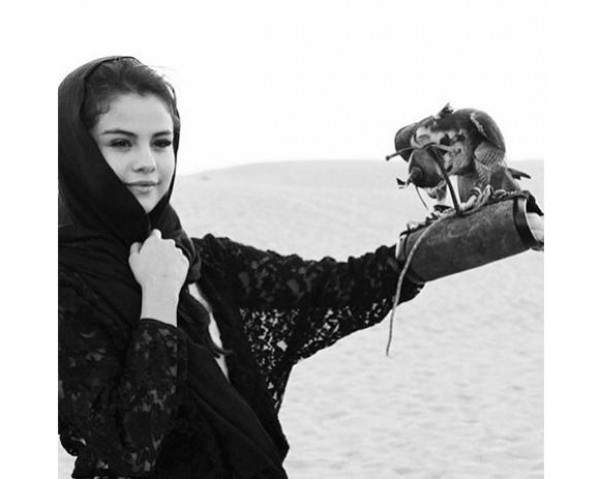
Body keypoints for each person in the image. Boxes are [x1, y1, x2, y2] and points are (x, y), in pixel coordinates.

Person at [58, 56, 423, 479]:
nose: (148, 163)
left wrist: (441, 244)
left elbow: (336, 285)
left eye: (161, 142)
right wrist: (157, 298)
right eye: (121, 143)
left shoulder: (203, 263)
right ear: (78, 151)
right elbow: (127, 451)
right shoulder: (59, 288)